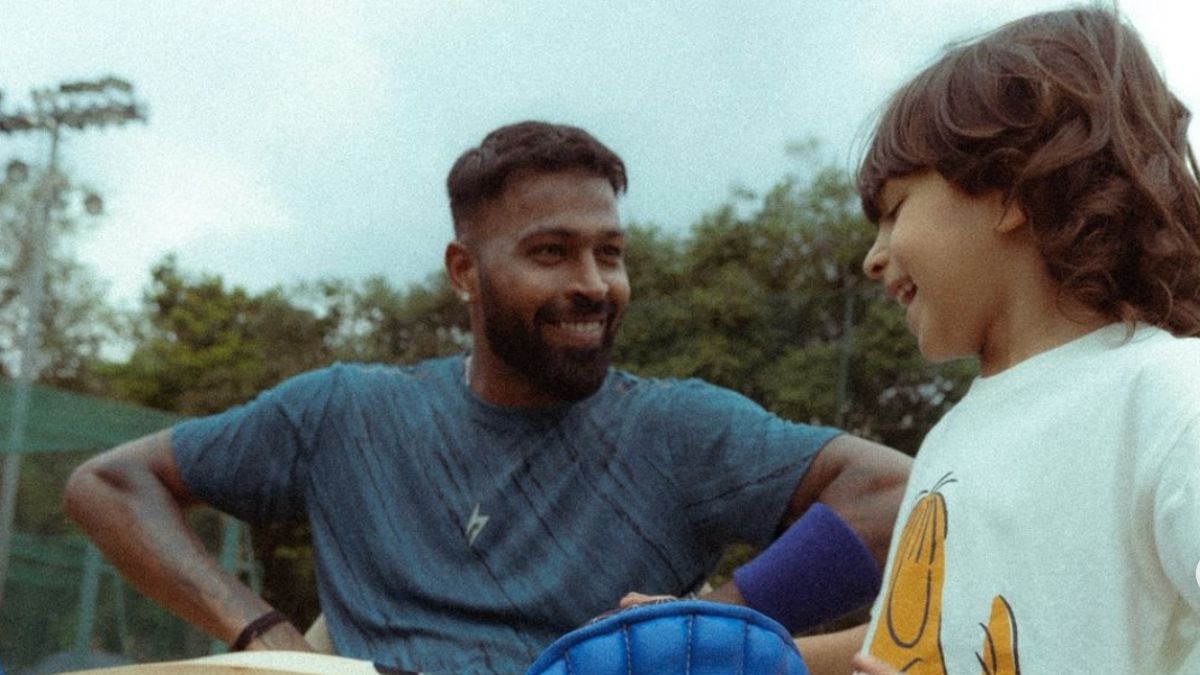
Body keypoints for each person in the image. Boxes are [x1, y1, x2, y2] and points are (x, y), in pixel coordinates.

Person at [64, 121, 911, 674]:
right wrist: (264, 636)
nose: (594, 283)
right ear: (464, 271)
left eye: (610, 253)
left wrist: (701, 630)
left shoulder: (676, 425)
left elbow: (896, 492)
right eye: (551, 252)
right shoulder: (344, 412)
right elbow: (108, 482)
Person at [844, 7, 1200, 674]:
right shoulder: (948, 440)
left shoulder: (1168, 396)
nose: (874, 257)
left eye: (894, 211)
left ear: (1011, 190)